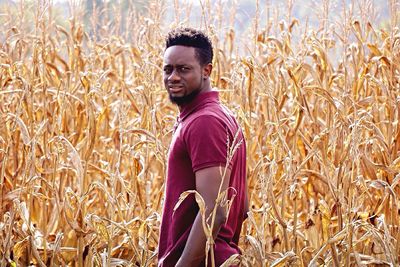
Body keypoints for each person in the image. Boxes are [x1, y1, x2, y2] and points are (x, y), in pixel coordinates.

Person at [158, 27, 248, 267]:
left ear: (206, 70)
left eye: (183, 69)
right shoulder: (216, 116)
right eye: (168, 69)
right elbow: (242, 204)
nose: (173, 77)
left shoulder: (205, 122)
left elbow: (214, 208)